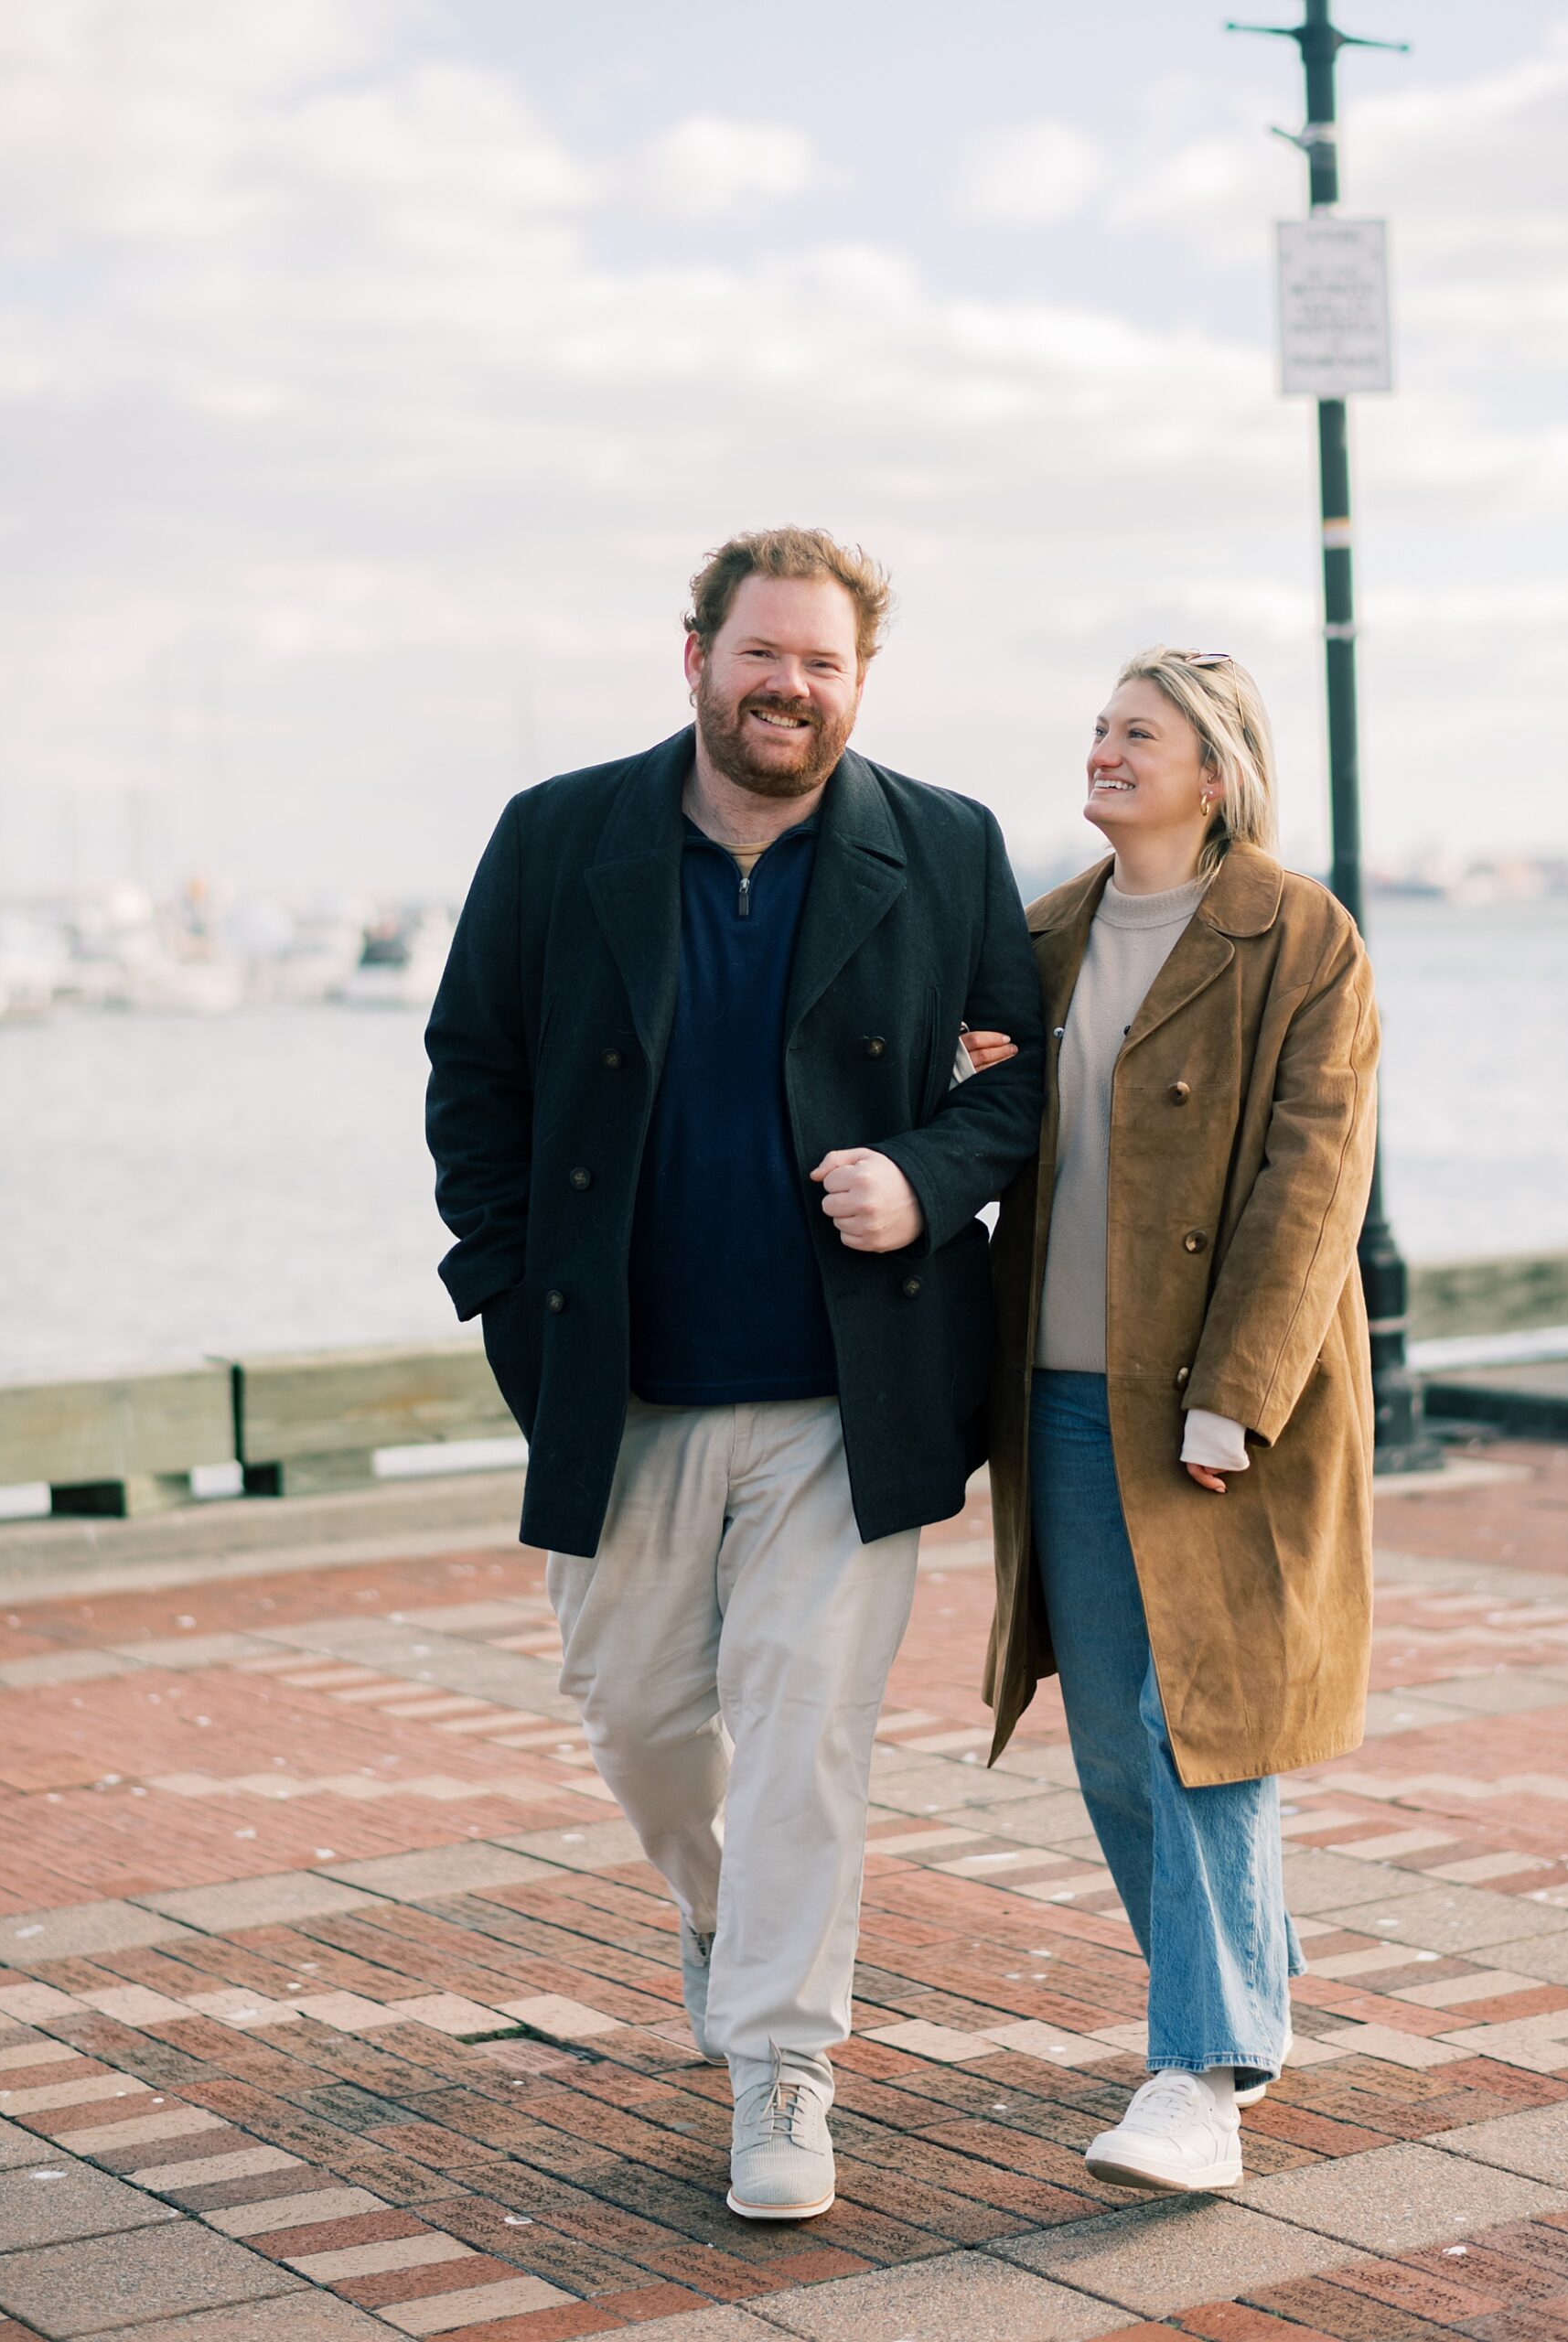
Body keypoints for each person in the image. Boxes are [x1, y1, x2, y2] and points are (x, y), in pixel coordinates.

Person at [424, 528, 1044, 2221]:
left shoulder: (946, 843)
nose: (790, 686)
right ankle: (720, 1913)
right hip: (618, 1387)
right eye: (762, 653)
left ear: (859, 681)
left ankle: (782, 2061)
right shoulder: (560, 839)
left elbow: (1019, 1080)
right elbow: (470, 1073)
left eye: (824, 662)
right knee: (636, 1714)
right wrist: (502, 1286)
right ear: (694, 654)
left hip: (854, 1392)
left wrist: (926, 1172)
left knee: (803, 1735)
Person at [966, 645, 1378, 2195]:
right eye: (1098, 728)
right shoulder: (1046, 934)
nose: (1105, 750)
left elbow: (1313, 1185)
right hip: (1059, 1396)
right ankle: (1245, 1996)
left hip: (1214, 1409)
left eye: (1138, 734)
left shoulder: (1298, 936)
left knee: (1205, 1732)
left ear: (1217, 770)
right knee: (1113, 1741)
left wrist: (1236, 1400)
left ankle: (1193, 2077)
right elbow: (998, 1132)